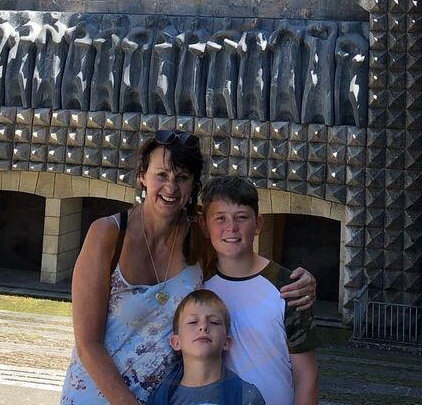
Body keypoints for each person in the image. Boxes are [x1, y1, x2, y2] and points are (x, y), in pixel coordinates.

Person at [60, 131, 316, 405]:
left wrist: (297, 281)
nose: (171, 187)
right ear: (142, 176)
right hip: (95, 396)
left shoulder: (198, 235)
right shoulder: (108, 234)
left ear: (193, 184)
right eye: (161, 175)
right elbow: (88, 344)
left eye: (181, 177)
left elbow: (240, 261)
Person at [201, 176, 319, 405]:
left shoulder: (289, 287)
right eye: (220, 218)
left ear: (258, 224)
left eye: (241, 217)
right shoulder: (197, 283)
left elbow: (307, 378)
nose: (231, 227)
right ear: (204, 226)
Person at [147, 289, 265, 405]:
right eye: (193, 322)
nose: (203, 326)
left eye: (214, 322)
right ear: (176, 342)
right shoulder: (160, 398)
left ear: (226, 342)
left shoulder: (247, 397)